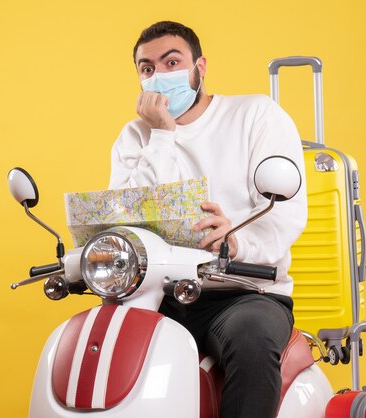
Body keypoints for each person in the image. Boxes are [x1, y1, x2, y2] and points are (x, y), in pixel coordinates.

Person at [108, 21, 308, 418]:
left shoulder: (256, 115)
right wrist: (162, 135)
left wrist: (234, 239)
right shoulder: (135, 135)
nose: (159, 76)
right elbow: (129, 217)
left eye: (172, 62)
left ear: (200, 66)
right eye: (147, 68)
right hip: (158, 293)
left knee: (251, 338)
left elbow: (286, 212)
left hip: (243, 293)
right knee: (106, 341)